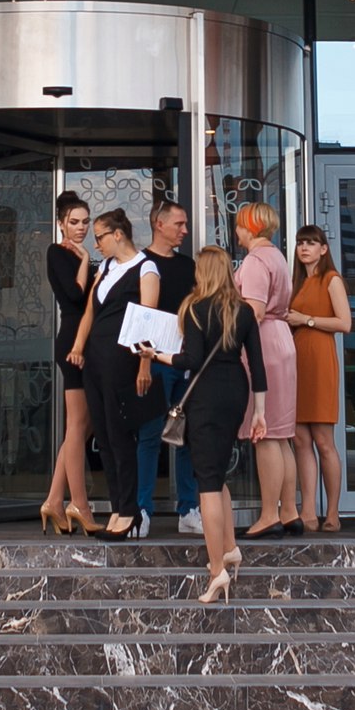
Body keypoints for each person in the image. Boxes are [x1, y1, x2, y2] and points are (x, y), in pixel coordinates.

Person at [153, 245, 264, 602]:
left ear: (203, 273)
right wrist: (260, 412)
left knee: (208, 484)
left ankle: (217, 570)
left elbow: (192, 359)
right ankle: (229, 548)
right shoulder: (243, 311)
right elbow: (257, 365)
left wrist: (157, 355)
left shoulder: (195, 308)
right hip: (236, 393)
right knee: (217, 472)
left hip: (206, 397)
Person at [66, 207, 162, 540]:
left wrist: (145, 364)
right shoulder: (106, 267)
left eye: (100, 237)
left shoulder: (146, 268)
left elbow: (149, 318)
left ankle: (130, 511)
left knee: (121, 435)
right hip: (96, 358)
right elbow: (90, 310)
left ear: (118, 234)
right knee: (103, 437)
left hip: (123, 360)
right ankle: (118, 507)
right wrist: (78, 346)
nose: (97, 244)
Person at [130, 200, 202, 536]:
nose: (184, 230)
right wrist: (144, 364)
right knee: (149, 436)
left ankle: (188, 509)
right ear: (159, 224)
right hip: (154, 362)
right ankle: (142, 510)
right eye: (179, 224)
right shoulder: (140, 264)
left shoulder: (189, 267)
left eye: (186, 224)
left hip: (185, 361)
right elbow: (140, 319)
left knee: (186, 436)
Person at [230, 200, 301, 537]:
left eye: (239, 224)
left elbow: (254, 311)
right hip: (282, 340)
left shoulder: (256, 261)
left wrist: (229, 340)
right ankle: (289, 511)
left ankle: (269, 514)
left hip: (263, 344)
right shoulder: (278, 257)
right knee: (282, 434)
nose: (236, 231)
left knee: (266, 433)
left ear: (250, 226)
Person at [285, 224, 353, 532]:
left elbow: (344, 323)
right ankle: (308, 510)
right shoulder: (297, 283)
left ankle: (333, 512)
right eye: (301, 243)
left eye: (311, 243)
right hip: (296, 360)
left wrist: (306, 320)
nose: (304, 248)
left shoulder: (331, 279)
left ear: (323, 249)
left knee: (324, 440)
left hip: (321, 360)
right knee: (301, 439)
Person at [39, 191, 98, 534]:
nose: (81, 228)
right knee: (77, 424)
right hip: (73, 341)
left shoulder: (79, 257)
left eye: (86, 222)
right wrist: (86, 258)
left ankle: (53, 499)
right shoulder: (57, 252)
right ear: (61, 224)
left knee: (82, 425)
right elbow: (76, 296)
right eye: (74, 222)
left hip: (88, 341)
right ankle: (80, 504)